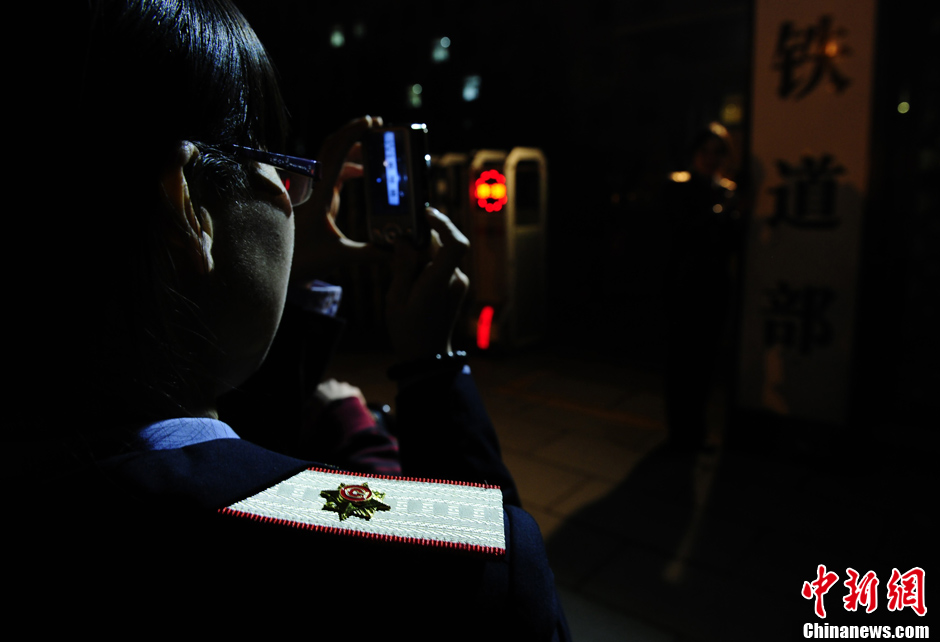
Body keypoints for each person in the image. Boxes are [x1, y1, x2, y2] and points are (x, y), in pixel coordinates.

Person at [7, 2, 569, 638]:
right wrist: (431, 371)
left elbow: (222, 451)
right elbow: (488, 556)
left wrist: (287, 270)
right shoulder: (424, 562)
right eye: (275, 164)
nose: (295, 198)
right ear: (185, 204)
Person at [662, 123, 743, 451]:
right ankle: (680, 431)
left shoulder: (728, 191)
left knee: (705, 363)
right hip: (684, 288)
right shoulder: (682, 187)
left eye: (716, 152)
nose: (709, 158)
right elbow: (681, 234)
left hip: (714, 288)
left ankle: (695, 428)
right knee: (682, 362)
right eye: (704, 151)